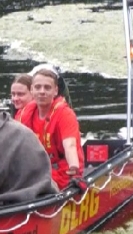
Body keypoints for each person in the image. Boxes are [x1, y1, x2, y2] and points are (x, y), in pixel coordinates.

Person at [14, 64, 83, 194]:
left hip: (62, 173)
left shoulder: (65, 114)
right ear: (32, 91)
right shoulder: (24, 113)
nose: (42, 91)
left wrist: (74, 166)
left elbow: (70, 145)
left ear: (55, 91)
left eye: (47, 87)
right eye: (38, 87)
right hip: (34, 170)